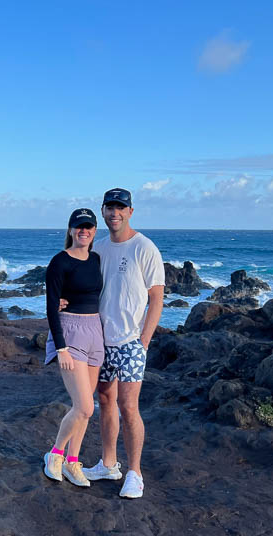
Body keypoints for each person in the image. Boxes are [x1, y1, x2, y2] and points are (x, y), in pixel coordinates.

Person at [82, 188, 165, 499]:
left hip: (131, 342)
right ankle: (108, 463)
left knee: (128, 406)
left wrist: (144, 340)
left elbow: (156, 298)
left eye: (121, 207)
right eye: (110, 207)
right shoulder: (98, 248)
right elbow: (87, 289)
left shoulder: (145, 248)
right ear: (102, 211)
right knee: (104, 401)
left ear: (130, 211)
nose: (114, 213)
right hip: (100, 341)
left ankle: (135, 473)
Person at [42, 208, 105, 487]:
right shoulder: (59, 262)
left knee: (83, 408)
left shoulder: (96, 259)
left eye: (89, 227)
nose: (84, 231)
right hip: (70, 332)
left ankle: (72, 461)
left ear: (94, 231)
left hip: (96, 332)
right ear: (70, 230)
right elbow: (51, 308)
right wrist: (61, 347)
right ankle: (55, 454)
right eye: (79, 226)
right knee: (85, 407)